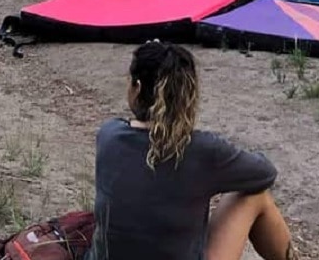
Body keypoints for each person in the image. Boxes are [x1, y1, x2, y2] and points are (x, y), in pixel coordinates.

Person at [88, 41, 297, 260]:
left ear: (137, 88)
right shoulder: (203, 150)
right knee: (256, 196)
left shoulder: (109, 135)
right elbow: (265, 173)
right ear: (186, 95)